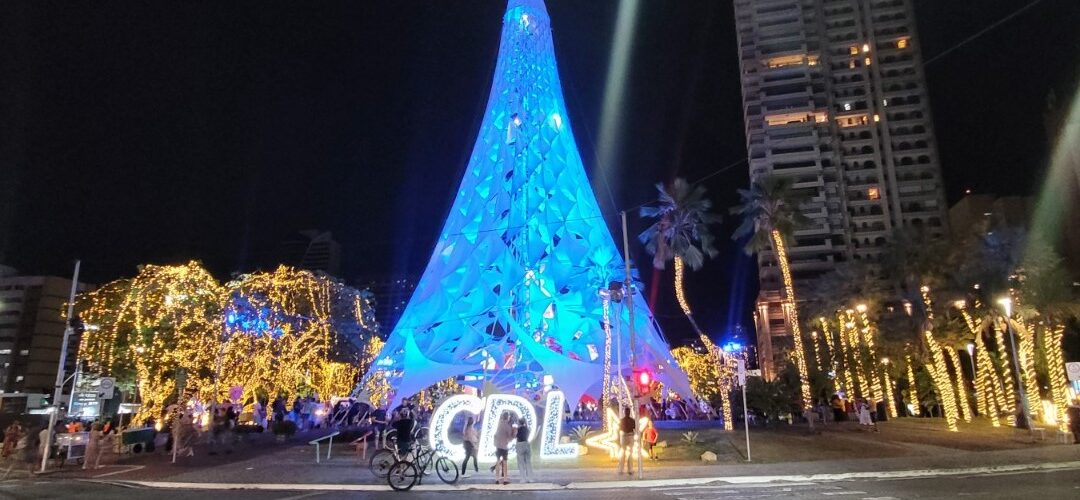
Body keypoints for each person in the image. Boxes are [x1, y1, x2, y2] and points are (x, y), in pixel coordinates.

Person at [491, 412, 514, 485]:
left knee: (497, 462)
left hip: (498, 445)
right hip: (504, 446)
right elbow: (510, 437)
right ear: (507, 417)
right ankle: (505, 480)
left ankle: (497, 479)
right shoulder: (507, 426)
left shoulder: (499, 423)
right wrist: (514, 433)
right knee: (505, 463)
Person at [618, 408, 637, 475]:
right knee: (624, 453)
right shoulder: (624, 420)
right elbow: (620, 429)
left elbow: (635, 428)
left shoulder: (631, 420)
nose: (627, 413)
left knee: (629, 453)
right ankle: (622, 469)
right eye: (627, 412)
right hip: (626, 435)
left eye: (628, 412)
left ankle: (629, 469)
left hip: (628, 435)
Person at [514, 416, 533, 483]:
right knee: (528, 462)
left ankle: (523, 478)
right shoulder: (527, 429)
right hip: (527, 444)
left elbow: (515, 436)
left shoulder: (518, 429)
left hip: (520, 445)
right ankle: (530, 478)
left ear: (519, 423)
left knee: (521, 463)